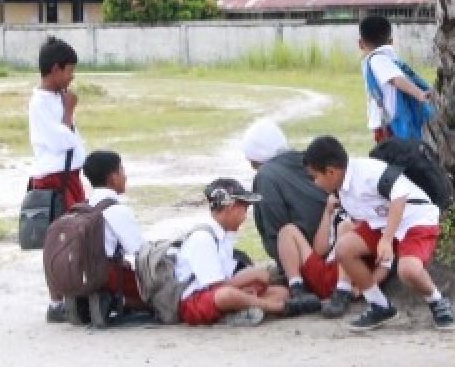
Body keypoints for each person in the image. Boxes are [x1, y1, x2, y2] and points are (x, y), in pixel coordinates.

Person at [303, 135, 455, 333]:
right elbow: (367, 216)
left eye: (315, 177)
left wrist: (386, 240)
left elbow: (400, 195)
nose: (315, 183)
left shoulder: (367, 172)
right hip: (383, 224)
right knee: (344, 249)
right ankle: (380, 306)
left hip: (415, 218)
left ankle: (437, 301)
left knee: (408, 270)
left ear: (331, 172)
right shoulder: (342, 190)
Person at [242, 119, 352, 317]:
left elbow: (274, 233)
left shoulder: (266, 176)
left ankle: (297, 286)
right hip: (344, 262)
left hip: (316, 265)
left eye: (253, 163)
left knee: (286, 233)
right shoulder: (311, 161)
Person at [28, 36, 88, 323]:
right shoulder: (39, 103)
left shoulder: (57, 98)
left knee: (78, 237)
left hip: (70, 177)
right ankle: (56, 301)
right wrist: (68, 111)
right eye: (69, 70)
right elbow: (61, 140)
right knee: (57, 241)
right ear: (55, 69)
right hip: (54, 180)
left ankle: (74, 293)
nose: (72, 76)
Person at [175, 178, 290, 326]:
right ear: (231, 207)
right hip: (195, 301)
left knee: (281, 292)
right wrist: (251, 276)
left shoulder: (223, 236)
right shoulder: (203, 238)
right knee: (228, 295)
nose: (244, 216)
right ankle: (278, 308)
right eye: (245, 208)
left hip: (221, 291)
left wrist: (249, 283)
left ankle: (242, 311)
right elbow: (216, 287)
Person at [81, 150, 148, 321]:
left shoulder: (84, 206)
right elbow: (140, 250)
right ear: (112, 178)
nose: (125, 177)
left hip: (85, 274)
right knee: (161, 297)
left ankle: (94, 300)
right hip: (108, 275)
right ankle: (117, 301)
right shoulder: (117, 210)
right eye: (122, 171)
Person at [358, 15, 432, 142]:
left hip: (389, 126)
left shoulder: (377, 59)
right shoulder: (392, 59)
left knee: (389, 160)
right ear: (391, 41)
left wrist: (419, 94)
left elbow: (395, 79)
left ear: (360, 43)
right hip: (395, 123)